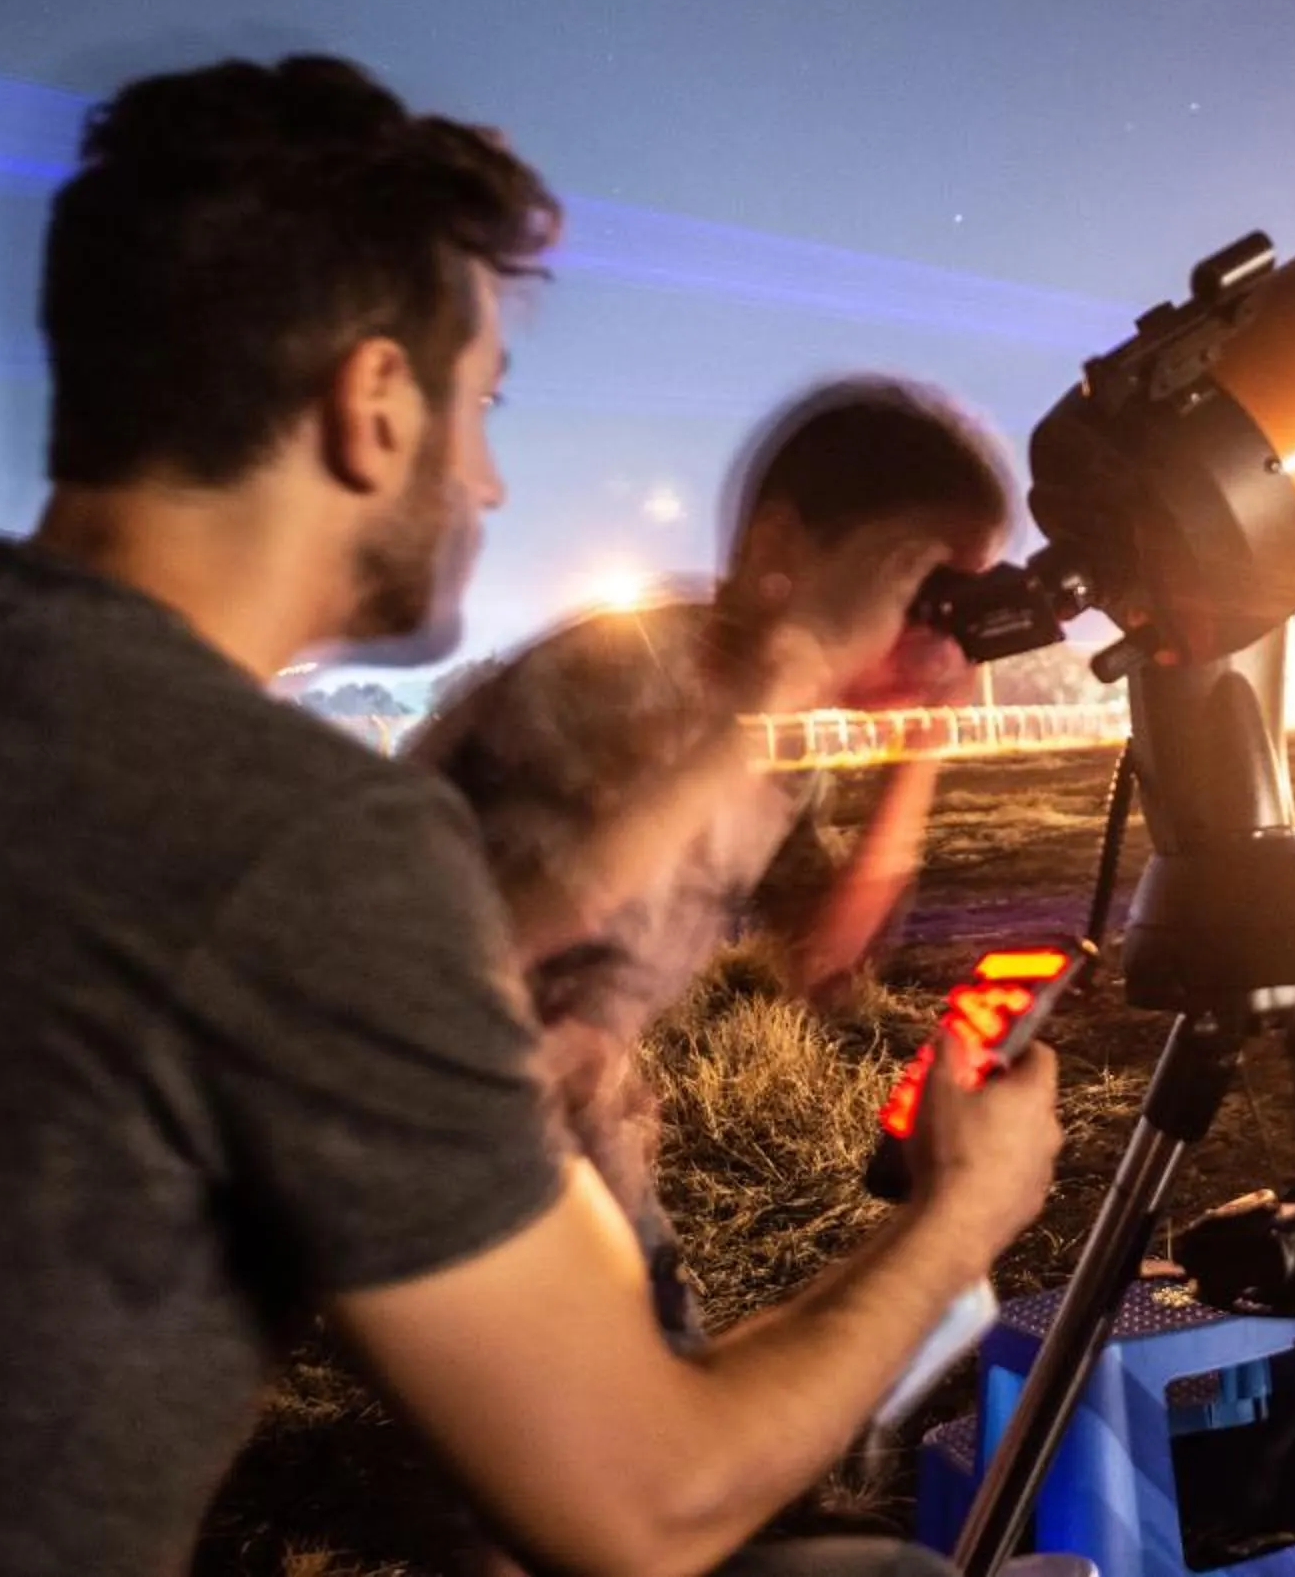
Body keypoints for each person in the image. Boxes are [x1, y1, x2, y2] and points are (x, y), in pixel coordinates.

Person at [0, 55, 1060, 1577]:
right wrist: (960, 1213)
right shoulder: (295, 840)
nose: (484, 478)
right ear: (374, 402)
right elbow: (648, 1501)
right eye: (481, 404)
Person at [407, 378, 1013, 1348]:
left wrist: (920, 754)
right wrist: (776, 696)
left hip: (556, 1104)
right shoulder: (620, 674)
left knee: (659, 1359)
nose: (935, 628)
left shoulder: (779, 736)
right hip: (425, 1097)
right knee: (636, 1419)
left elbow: (821, 962)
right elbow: (510, 927)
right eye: (919, 589)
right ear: (778, 549)